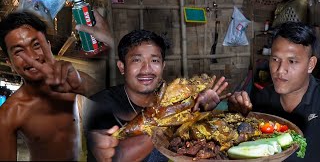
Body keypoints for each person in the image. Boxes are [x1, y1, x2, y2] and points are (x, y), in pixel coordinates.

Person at [81, 27, 251, 162]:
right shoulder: (99, 104)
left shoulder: (171, 96)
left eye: (154, 60)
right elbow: (119, 157)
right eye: (137, 60)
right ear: (122, 67)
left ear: (163, 66)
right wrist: (186, 114)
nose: (147, 69)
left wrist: (207, 110)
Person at [0, 10, 109, 161]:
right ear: (9, 62)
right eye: (19, 51)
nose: (32, 57)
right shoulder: (10, 113)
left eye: (37, 45)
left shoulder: (76, 81)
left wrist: (85, 87)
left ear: (48, 46)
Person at [228, 21, 320, 162]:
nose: (280, 70)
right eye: (275, 59)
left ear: (310, 65)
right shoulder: (262, 98)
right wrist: (232, 111)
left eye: (292, 61)